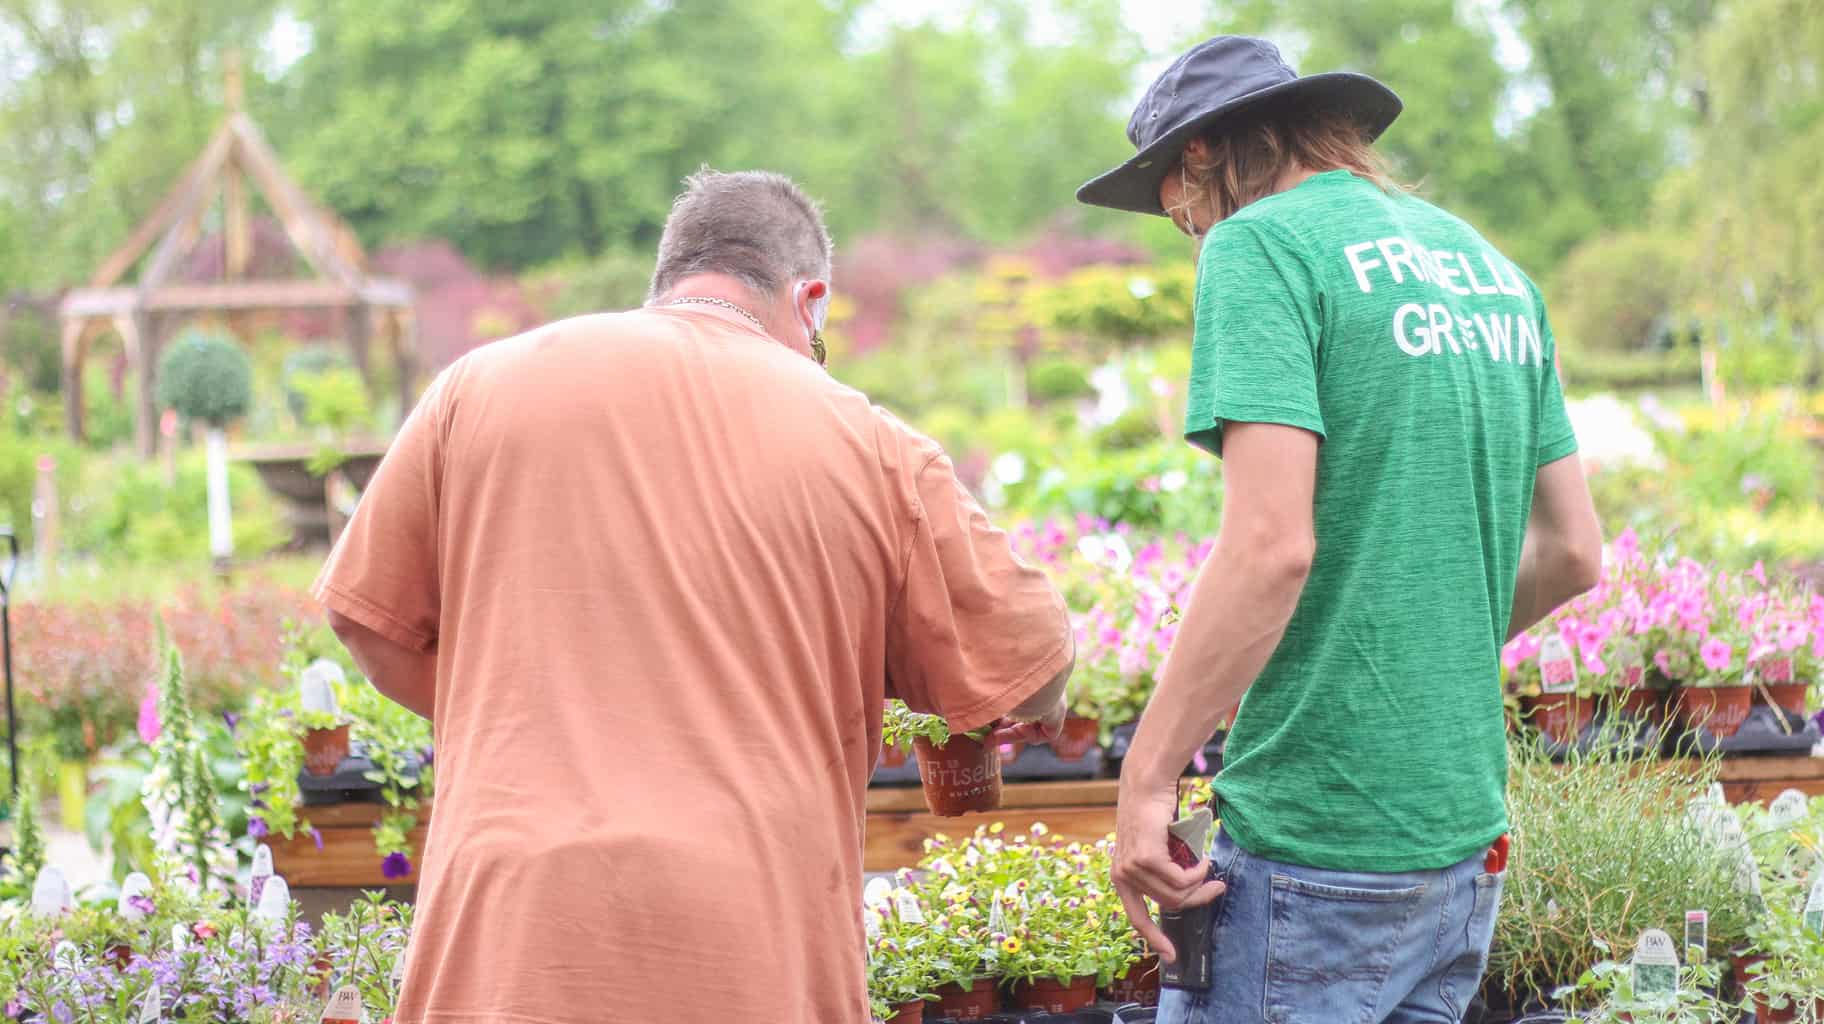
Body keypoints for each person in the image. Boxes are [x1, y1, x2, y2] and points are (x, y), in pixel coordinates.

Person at [314, 168, 1075, 1023]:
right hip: (747, 928)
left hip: (514, 924)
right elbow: (1034, 660)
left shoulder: (477, 387)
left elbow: (365, 616)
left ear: (669, 278)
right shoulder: (870, 443)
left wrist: (521, 720)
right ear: (811, 299)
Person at [1078, 37, 1604, 1023]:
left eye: (1177, 212)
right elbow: (1575, 550)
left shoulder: (1261, 246)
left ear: (1199, 158)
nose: (1191, 235)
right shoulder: (1489, 268)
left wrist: (1146, 779)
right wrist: (1413, 648)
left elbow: (1272, 547)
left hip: (1314, 849)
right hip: (1461, 850)